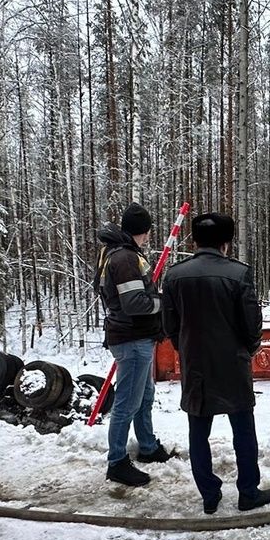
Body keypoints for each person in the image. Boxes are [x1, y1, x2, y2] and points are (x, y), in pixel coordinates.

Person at [161, 212, 270, 515]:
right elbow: (252, 323)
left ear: (195, 240)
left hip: (195, 363)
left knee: (198, 430)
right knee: (243, 430)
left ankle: (209, 494)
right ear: (227, 242)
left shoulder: (174, 275)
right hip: (232, 363)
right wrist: (247, 349)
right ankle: (248, 492)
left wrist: (185, 348)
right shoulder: (239, 274)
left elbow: (170, 324)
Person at [95, 202, 176, 488]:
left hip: (137, 337)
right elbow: (134, 303)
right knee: (127, 403)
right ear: (143, 231)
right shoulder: (125, 258)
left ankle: (148, 446)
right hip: (131, 339)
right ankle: (117, 462)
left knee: (144, 397)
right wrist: (165, 302)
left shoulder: (119, 253)